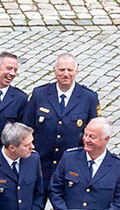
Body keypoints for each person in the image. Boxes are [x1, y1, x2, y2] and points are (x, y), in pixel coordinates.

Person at [23, 54, 101, 185]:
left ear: (77, 70)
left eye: (70, 70)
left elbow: (95, 134)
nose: (65, 74)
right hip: (41, 165)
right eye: (61, 70)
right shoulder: (40, 94)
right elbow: (26, 128)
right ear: (54, 70)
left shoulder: (89, 98)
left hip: (71, 167)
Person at [49, 117, 120, 210]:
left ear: (106, 139)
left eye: (92, 137)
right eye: (85, 134)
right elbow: (55, 189)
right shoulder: (69, 158)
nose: (86, 140)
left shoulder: (119, 167)